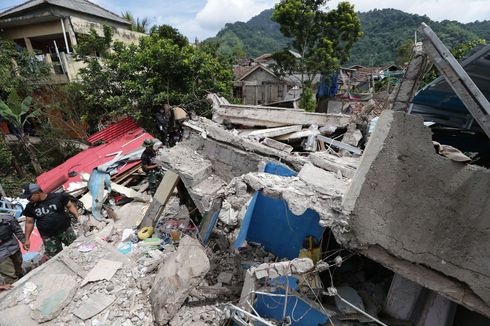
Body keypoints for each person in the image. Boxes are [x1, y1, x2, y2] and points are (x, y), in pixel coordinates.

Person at [21, 184, 80, 259]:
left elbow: (70, 206)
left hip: (65, 231)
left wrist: (78, 217)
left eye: (29, 197)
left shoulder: (57, 197)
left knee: (76, 248)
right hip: (48, 237)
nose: (28, 199)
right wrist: (27, 239)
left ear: (37, 193)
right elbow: (29, 222)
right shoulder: (30, 207)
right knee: (55, 258)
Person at [0, 212, 25, 284]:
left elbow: (17, 230)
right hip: (1, 255)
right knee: (9, 276)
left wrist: (23, 241)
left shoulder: (6, 218)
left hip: (13, 248)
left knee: (19, 269)